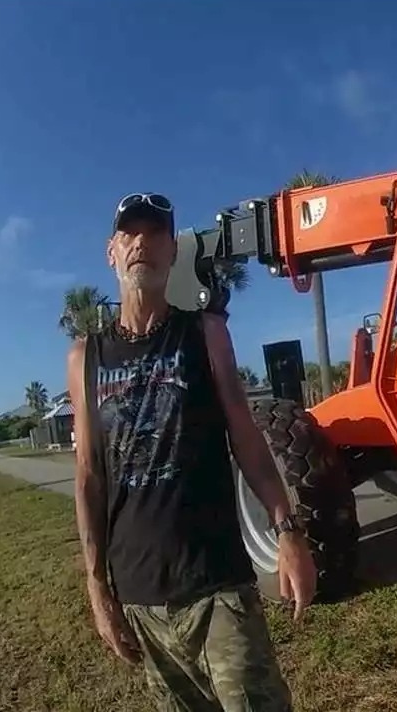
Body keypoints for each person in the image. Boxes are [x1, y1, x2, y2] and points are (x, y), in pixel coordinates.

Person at [67, 192, 317, 711]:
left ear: (173, 253)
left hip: (216, 584)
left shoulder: (205, 333)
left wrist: (287, 531)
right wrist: (98, 589)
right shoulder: (85, 358)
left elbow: (245, 438)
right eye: (130, 233)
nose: (143, 243)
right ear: (111, 251)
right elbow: (89, 474)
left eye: (157, 233)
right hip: (139, 596)